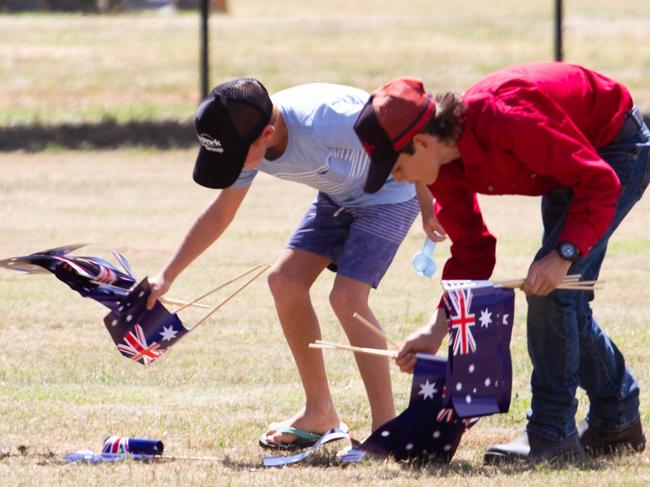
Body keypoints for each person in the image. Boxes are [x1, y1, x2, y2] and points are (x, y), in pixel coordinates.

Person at [353, 62, 650, 464]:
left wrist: (563, 254)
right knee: (561, 297)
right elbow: (474, 249)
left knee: (555, 292)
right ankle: (617, 419)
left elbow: (598, 182)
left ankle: (552, 435)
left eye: (399, 169)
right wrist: (437, 328)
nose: (403, 180)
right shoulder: (441, 166)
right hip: (572, 165)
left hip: (613, 148)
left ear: (422, 142)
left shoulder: (506, 119)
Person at [145, 77, 426, 449]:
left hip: (392, 193)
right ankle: (320, 410)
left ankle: (386, 429)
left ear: (268, 133)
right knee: (284, 281)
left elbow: (409, 136)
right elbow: (220, 214)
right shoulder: (247, 137)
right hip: (338, 192)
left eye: (234, 154)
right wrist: (167, 276)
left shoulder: (329, 121)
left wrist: (430, 199)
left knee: (347, 298)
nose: (232, 164)